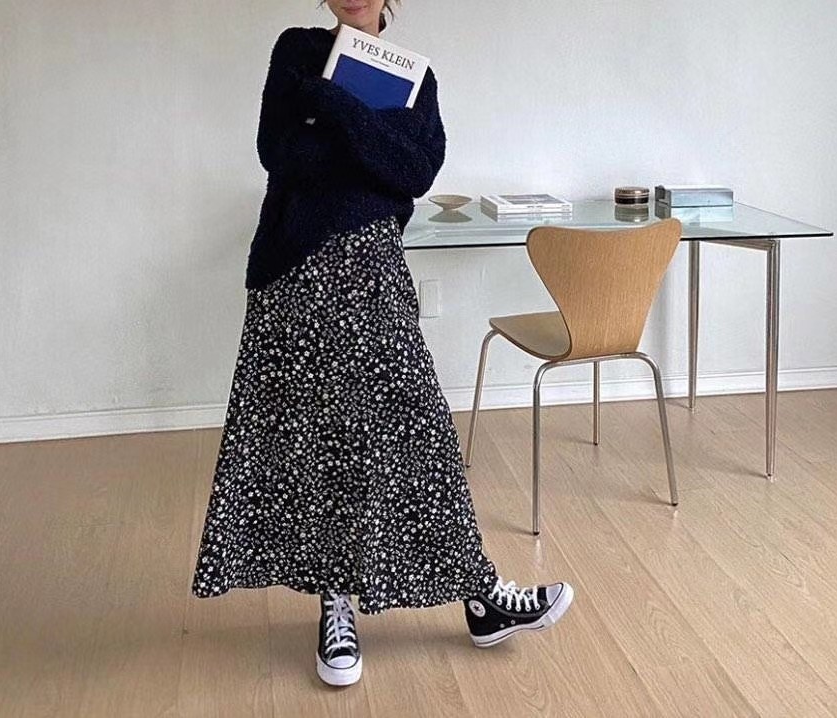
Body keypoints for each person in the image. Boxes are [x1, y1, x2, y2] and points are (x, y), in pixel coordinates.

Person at [191, 0, 574, 687]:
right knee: (318, 440)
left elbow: (415, 173)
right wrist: (372, 140)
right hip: (298, 269)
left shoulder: (413, 76)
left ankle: (479, 594)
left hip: (373, 268)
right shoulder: (297, 51)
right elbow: (283, 155)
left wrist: (335, 109)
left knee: (417, 431)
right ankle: (337, 605)